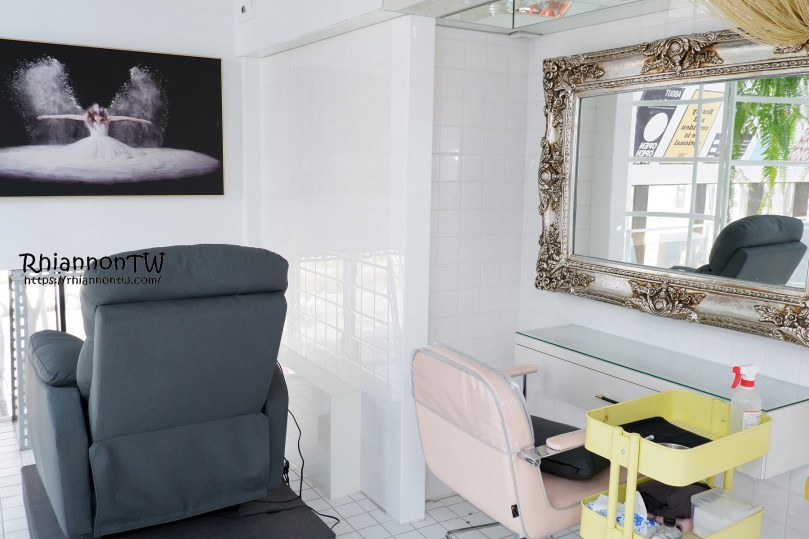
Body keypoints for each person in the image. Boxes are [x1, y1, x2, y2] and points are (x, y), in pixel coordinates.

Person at [37, 104, 152, 161]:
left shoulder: (108, 119)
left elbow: (125, 118)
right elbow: (67, 116)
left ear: (102, 115)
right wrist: (47, 116)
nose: (97, 118)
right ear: (92, 115)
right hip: (91, 141)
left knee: (115, 156)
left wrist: (142, 120)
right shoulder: (86, 118)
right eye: (95, 115)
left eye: (99, 115)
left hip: (107, 142)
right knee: (89, 156)